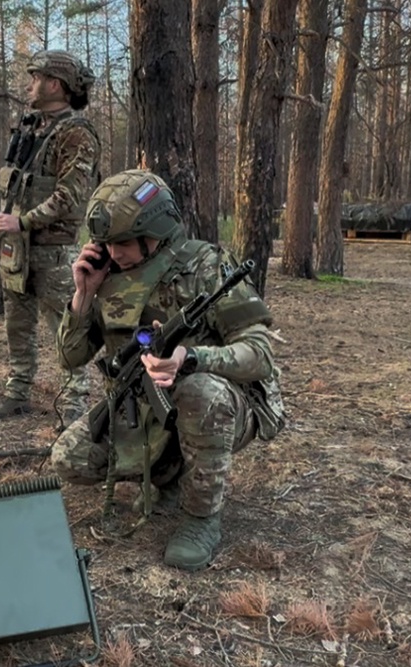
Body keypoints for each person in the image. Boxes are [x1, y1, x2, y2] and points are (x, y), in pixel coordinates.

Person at [51, 169, 286, 571]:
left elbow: (260, 353)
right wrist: (83, 295)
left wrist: (193, 359)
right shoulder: (107, 276)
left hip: (224, 404)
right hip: (143, 406)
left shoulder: (206, 266)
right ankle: (169, 478)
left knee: (201, 393)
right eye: (106, 243)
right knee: (69, 457)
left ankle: (201, 520)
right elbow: (69, 358)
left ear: (155, 229)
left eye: (121, 242)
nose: (113, 251)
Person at [0, 49, 101, 431]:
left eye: (35, 77)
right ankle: (18, 390)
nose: (29, 84)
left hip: (53, 249)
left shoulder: (76, 133)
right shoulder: (30, 128)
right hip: (17, 246)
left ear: (55, 84)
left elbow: (70, 195)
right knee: (16, 323)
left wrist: (24, 220)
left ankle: (74, 402)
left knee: (65, 328)